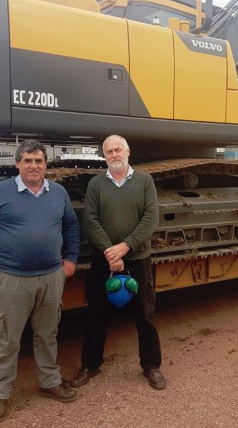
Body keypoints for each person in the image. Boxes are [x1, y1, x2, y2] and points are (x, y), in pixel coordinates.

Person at [0, 139, 80, 424]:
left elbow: (71, 225)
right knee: (8, 339)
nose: (34, 166)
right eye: (28, 160)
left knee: (47, 334)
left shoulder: (58, 192)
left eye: (39, 161)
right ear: (18, 163)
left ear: (46, 165)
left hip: (51, 277)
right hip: (13, 279)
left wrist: (71, 258)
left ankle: (49, 381)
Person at [69, 134, 166, 390]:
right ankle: (90, 364)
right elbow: (90, 220)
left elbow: (150, 218)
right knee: (96, 315)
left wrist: (125, 247)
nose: (114, 155)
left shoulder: (145, 181)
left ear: (128, 151)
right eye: (109, 151)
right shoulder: (96, 185)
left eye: (118, 150)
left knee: (144, 315)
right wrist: (110, 252)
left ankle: (151, 366)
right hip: (104, 261)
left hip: (137, 259)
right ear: (105, 155)